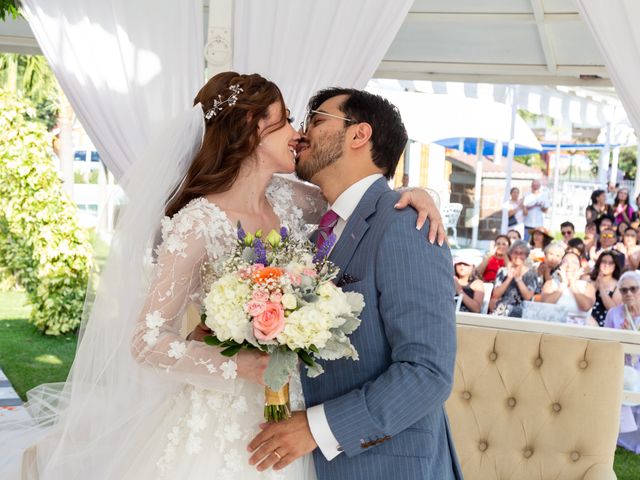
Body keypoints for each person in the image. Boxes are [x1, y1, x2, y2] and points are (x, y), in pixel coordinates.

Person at [1, 73, 444, 479]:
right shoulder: (198, 222)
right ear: (253, 127)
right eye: (286, 120)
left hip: (301, 415)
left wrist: (415, 194)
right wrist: (242, 363)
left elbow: (361, 200)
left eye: (303, 120)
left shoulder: (297, 201)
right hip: (229, 411)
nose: (299, 133)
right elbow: (146, 340)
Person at [247, 88, 462, 479]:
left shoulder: (404, 225)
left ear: (359, 135)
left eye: (316, 119)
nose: (302, 132)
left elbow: (428, 372)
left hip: (388, 468)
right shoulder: (316, 236)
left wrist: (315, 428)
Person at [604, 271, 640, 453]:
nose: (629, 294)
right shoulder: (614, 313)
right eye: (624, 290)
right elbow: (606, 345)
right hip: (621, 367)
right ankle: (624, 435)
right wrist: (621, 335)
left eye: (633, 289)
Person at [540, 252, 596, 325]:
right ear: (560, 266)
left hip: (580, 330)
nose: (569, 265)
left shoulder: (587, 286)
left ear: (580, 267)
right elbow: (546, 304)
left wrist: (572, 284)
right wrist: (563, 284)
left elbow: (585, 307)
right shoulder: (550, 283)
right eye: (565, 262)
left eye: (574, 262)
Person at [490, 240, 537, 317]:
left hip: (522, 310)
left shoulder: (531, 274)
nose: (518, 256)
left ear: (526, 255)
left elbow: (528, 297)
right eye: (515, 252)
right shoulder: (503, 271)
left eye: (521, 253)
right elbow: (496, 295)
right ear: (510, 254)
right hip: (502, 308)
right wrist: (508, 278)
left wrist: (518, 279)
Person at [590, 251, 622, 327]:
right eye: (604, 262)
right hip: (587, 320)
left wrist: (601, 288)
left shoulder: (618, 285)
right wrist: (594, 286)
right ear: (599, 263)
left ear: (615, 266)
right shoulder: (589, 280)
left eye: (611, 263)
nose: (606, 265)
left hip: (605, 324)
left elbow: (613, 309)